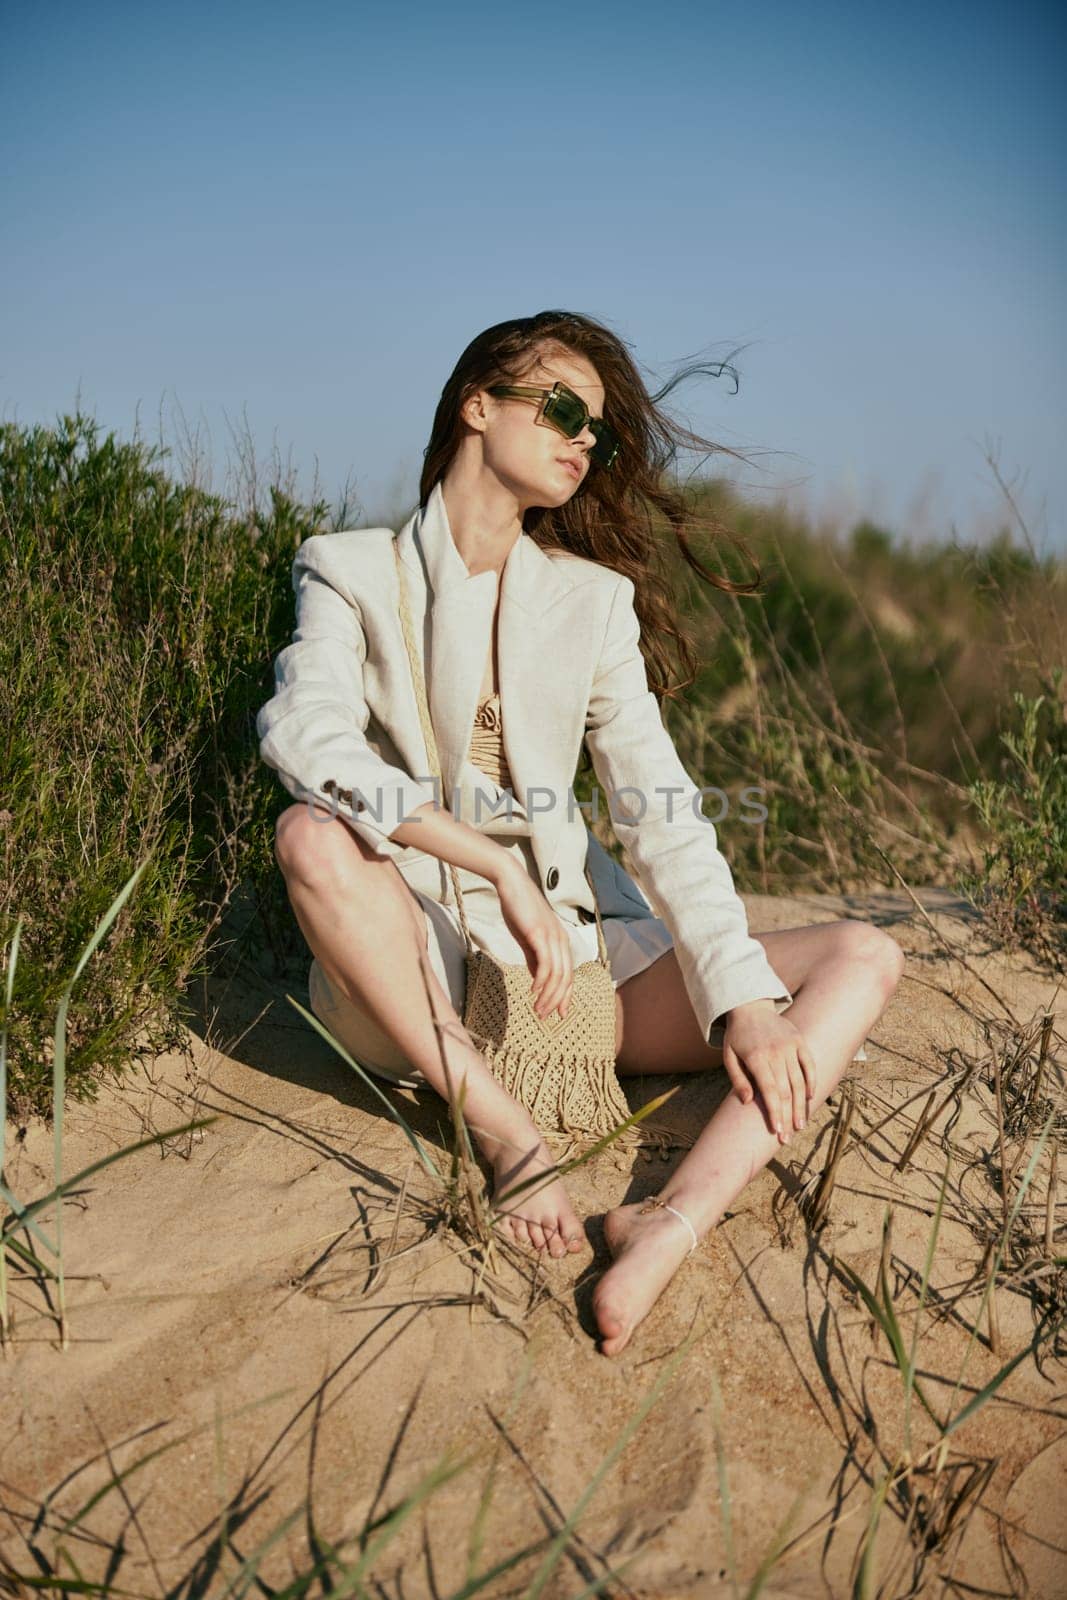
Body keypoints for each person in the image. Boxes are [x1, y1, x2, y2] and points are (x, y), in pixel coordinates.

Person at [257, 309, 905, 1358]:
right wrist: (480, 863)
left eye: (595, 428)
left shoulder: (591, 602)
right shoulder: (350, 569)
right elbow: (302, 730)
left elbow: (660, 808)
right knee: (311, 840)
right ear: (477, 403)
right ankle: (510, 1139)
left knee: (862, 955)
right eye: (561, 406)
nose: (582, 438)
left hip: (573, 986)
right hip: (418, 978)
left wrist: (736, 996)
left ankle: (668, 1220)